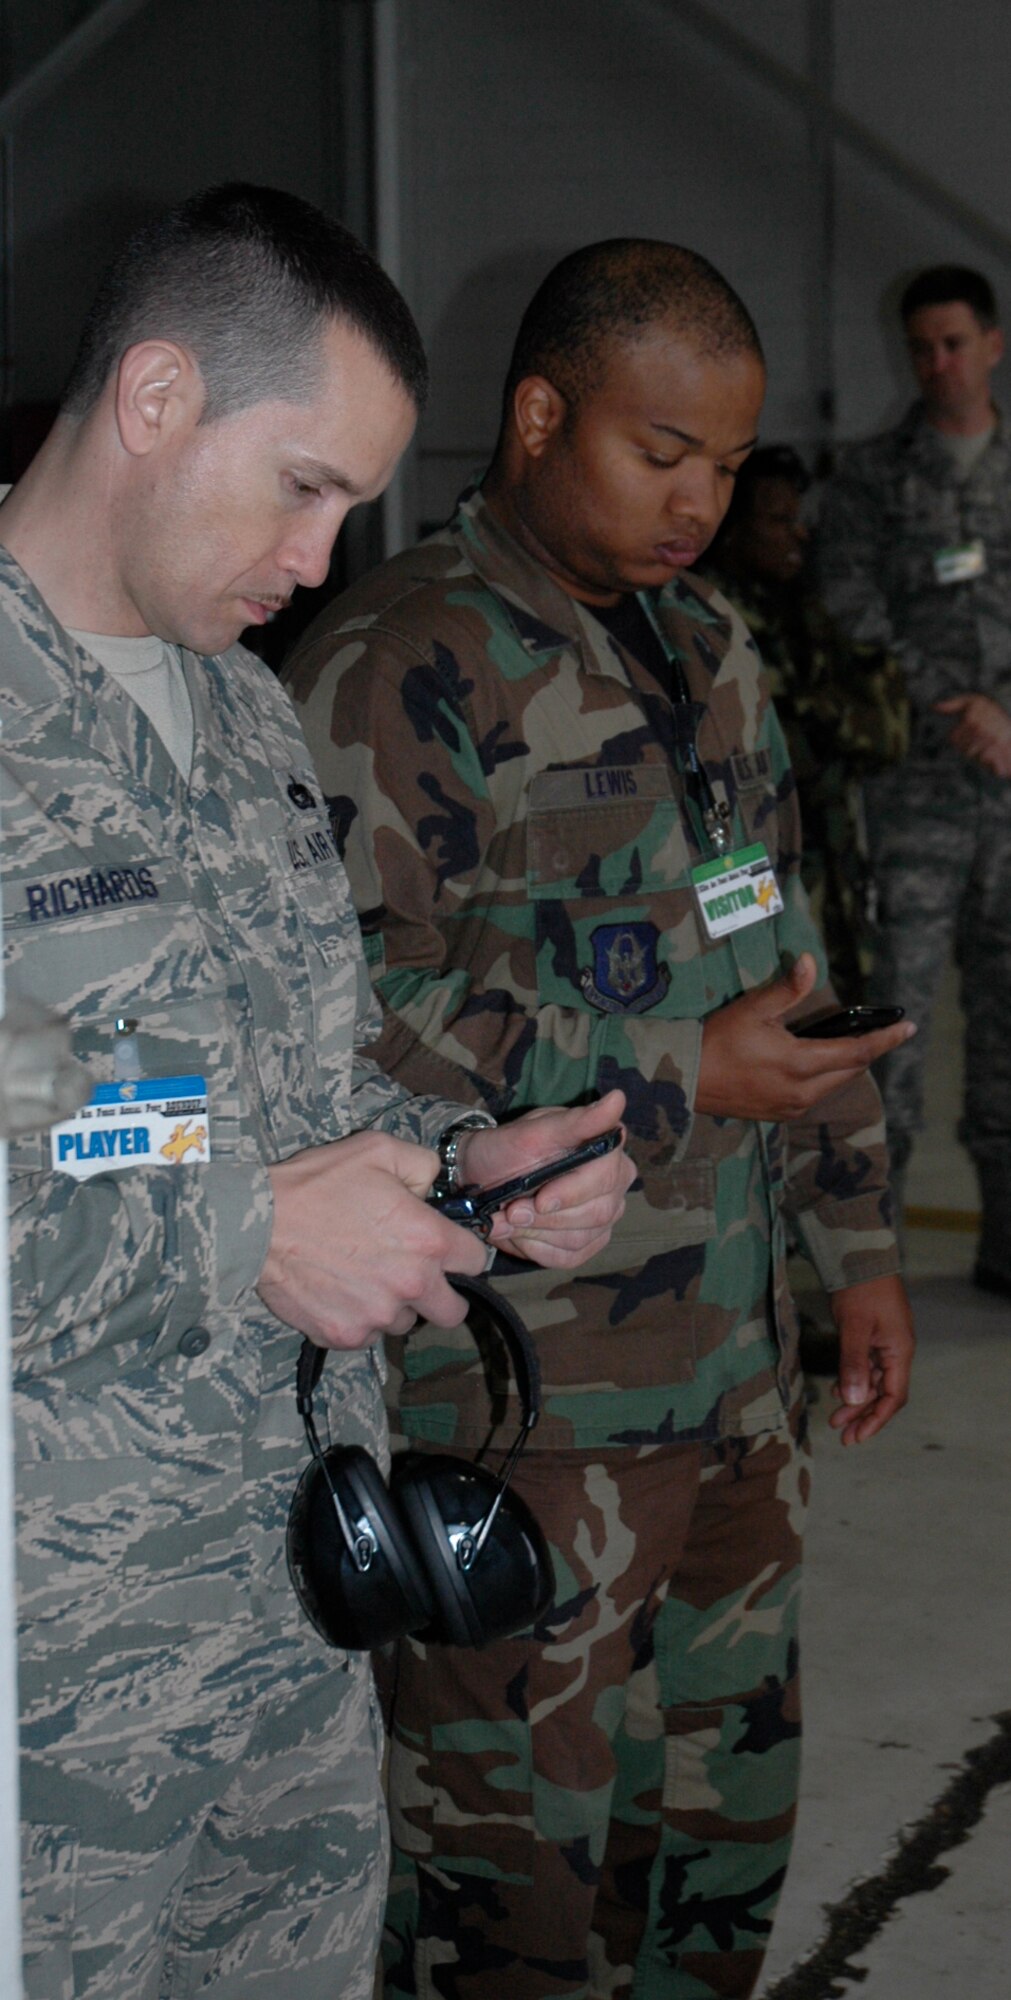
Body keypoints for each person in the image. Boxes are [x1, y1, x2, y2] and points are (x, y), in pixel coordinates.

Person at [1, 183, 633, 2000]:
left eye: (357, 501)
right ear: (155, 399)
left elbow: (252, 1083)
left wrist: (447, 1161)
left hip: (293, 1618)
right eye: (305, 485)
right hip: (50, 1696)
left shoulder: (246, 713)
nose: (330, 550)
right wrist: (250, 1224)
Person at [283, 239, 916, 2000]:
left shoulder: (711, 647)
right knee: (515, 1902)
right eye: (661, 455)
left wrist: (853, 1246)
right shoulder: (400, 662)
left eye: (725, 463)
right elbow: (341, 1010)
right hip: (524, 1414)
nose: (700, 500)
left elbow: (789, 961)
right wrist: (669, 1067)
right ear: (539, 413)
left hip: (732, 1388)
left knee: (713, 1847)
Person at [818, 265, 1011, 1285]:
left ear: (993, 343)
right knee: (896, 1023)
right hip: (917, 797)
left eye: (953, 342)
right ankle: (873, 1264)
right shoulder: (871, 477)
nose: (937, 363)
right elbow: (846, 606)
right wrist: (961, 703)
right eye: (921, 347)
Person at [701, 444, 908, 1003]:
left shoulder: (805, 616)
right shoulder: (704, 623)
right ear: (733, 528)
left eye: (800, 520)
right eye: (778, 521)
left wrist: (823, 709)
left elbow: (885, 733)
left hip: (831, 877)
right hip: (753, 887)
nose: (799, 536)